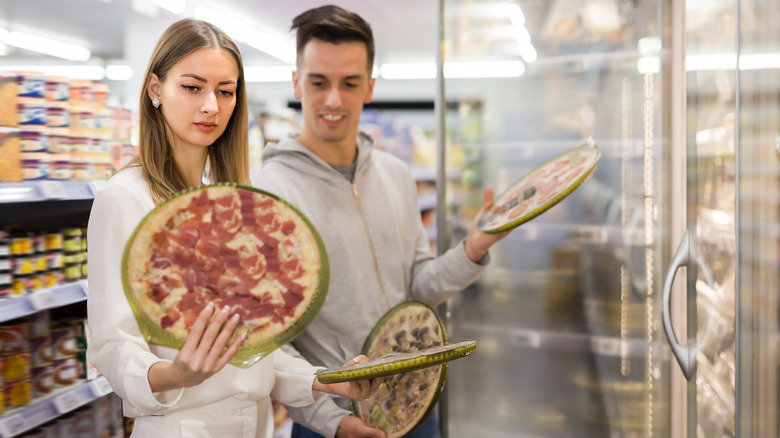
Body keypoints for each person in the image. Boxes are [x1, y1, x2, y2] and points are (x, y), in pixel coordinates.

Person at [86, 18, 379, 438]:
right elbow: (112, 346)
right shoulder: (126, 199)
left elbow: (253, 347)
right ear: (155, 89)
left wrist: (324, 380)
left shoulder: (229, 202)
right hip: (181, 427)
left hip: (255, 424)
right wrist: (175, 373)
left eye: (225, 92)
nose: (211, 105)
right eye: (192, 87)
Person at [251, 5, 510, 438]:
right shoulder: (270, 195)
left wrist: (473, 248)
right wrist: (331, 422)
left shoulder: (395, 174)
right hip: (333, 422)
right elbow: (270, 341)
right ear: (297, 82)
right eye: (319, 82)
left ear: (369, 86)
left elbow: (418, 285)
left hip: (417, 402)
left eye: (349, 83)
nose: (333, 99)